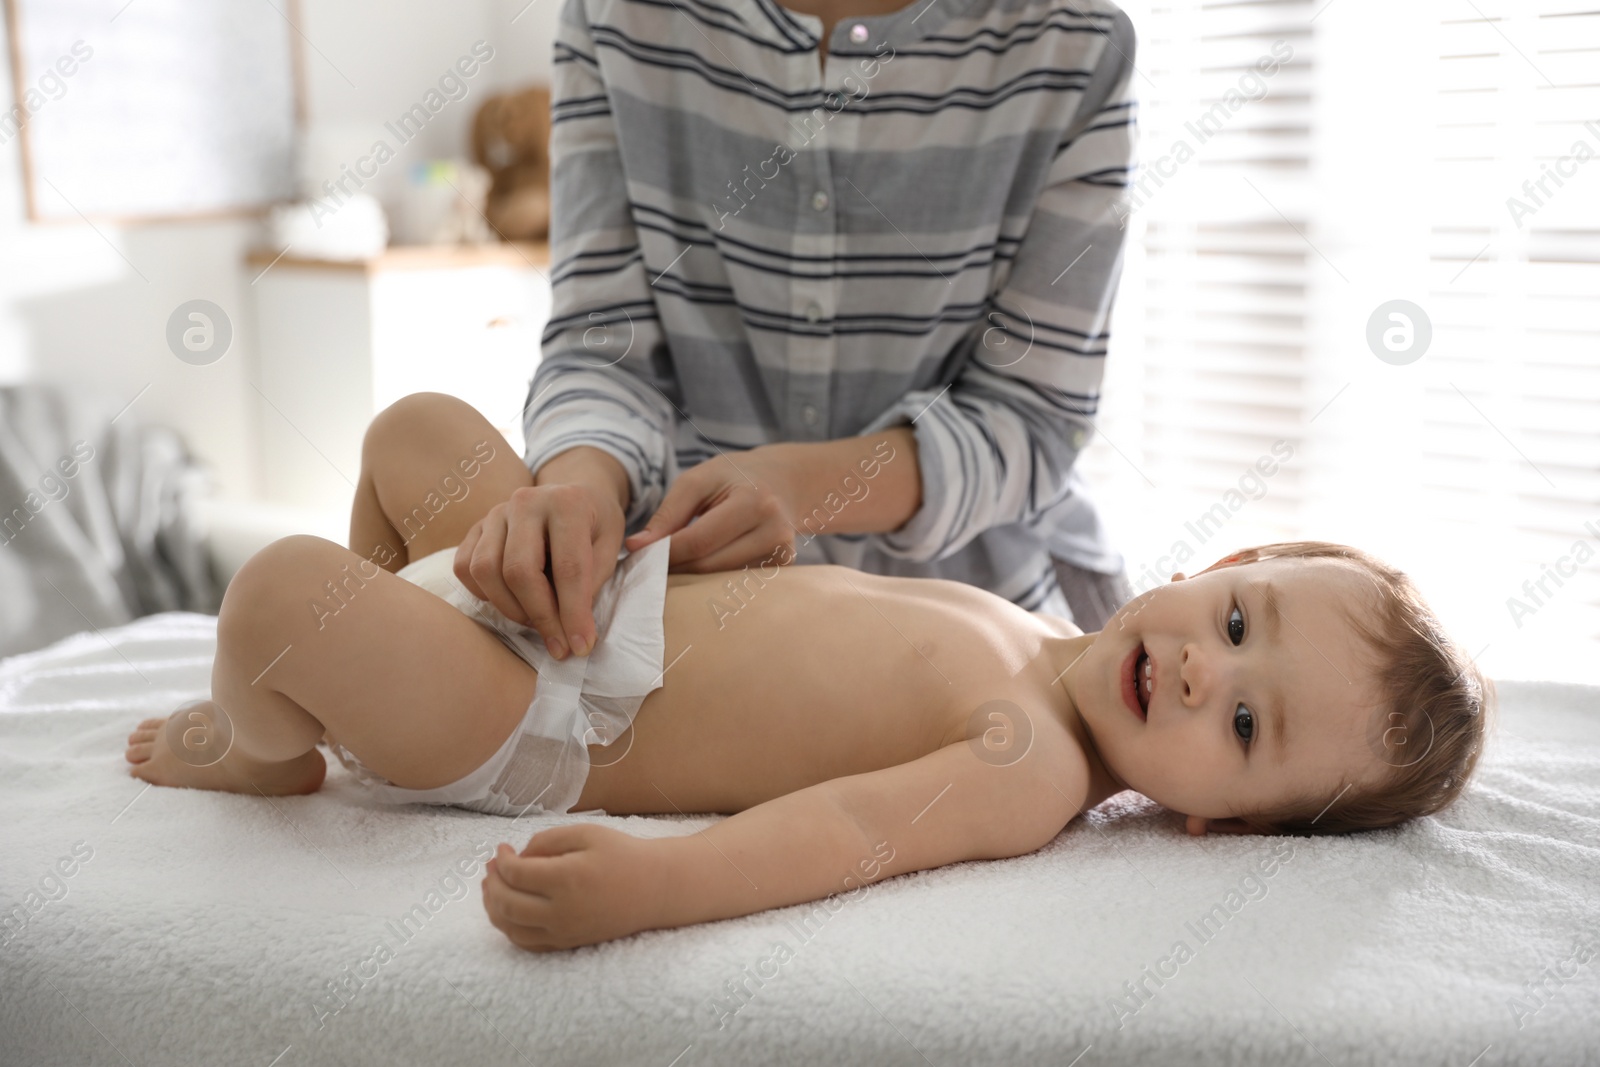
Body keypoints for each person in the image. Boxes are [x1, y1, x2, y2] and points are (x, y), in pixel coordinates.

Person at [124, 394, 1493, 952]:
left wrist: (650, 887)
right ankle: (359, 658)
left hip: (541, 713)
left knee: (276, 593)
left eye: (1248, 724)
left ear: (1222, 819)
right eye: (1239, 620)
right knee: (412, 429)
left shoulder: (1031, 761)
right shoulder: (1018, 617)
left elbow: (840, 835)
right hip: (573, 604)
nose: (1203, 672)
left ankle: (271, 746)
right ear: (1223, 560)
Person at [459, 0, 1142, 666]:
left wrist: (800, 483)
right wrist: (579, 484)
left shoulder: (1078, 44)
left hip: (981, 627)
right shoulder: (616, 16)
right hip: (680, 619)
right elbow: (600, 350)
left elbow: (1034, 419)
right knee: (413, 432)